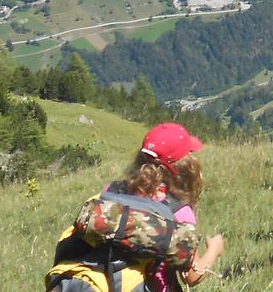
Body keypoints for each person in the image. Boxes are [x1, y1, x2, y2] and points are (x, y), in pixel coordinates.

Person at [47, 122, 225, 291]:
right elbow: (192, 277)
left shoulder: (113, 190)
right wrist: (214, 249)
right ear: (185, 166)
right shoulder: (178, 211)